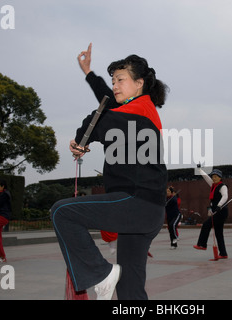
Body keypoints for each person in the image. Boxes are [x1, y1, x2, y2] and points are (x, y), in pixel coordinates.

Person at [51, 45, 168, 300]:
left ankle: (100, 273)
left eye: (120, 80)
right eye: (113, 80)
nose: (115, 85)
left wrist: (82, 139)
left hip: (136, 202)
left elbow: (101, 116)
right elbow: (107, 101)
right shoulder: (137, 107)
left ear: (139, 84)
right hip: (147, 210)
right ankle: (110, 280)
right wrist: (89, 73)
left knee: (62, 212)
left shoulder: (138, 111)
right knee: (129, 288)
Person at [193, 168, 229, 259]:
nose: (214, 178)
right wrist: (200, 170)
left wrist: (219, 205)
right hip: (216, 211)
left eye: (216, 177)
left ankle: (202, 244)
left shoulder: (222, 186)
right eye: (213, 176)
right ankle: (223, 253)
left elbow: (225, 196)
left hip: (221, 211)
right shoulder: (213, 185)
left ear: (220, 178)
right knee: (218, 233)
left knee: (206, 225)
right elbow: (206, 177)